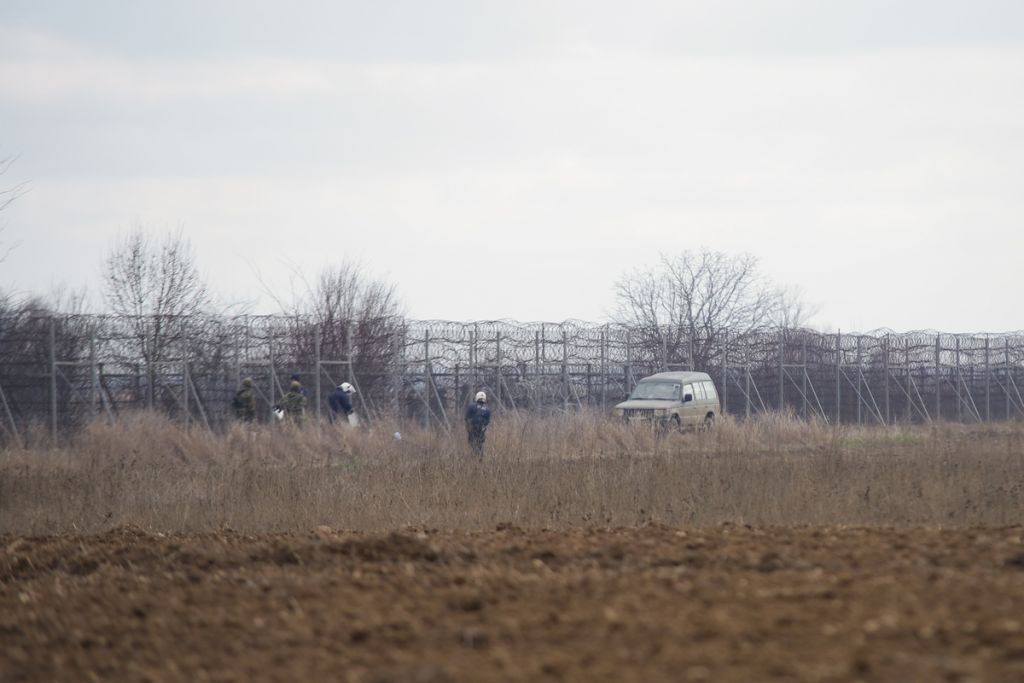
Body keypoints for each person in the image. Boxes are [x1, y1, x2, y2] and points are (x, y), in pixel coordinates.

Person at [465, 390, 491, 457]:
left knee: (472, 443)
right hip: (482, 430)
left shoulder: (471, 406)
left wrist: (468, 428)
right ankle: (480, 458)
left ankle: (476, 456)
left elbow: (466, 418)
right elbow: (487, 421)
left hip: (472, 429)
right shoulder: (487, 409)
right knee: (480, 444)